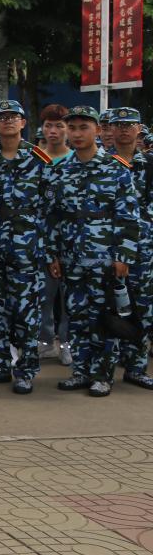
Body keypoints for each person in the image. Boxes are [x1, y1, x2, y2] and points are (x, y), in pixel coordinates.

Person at [51, 106, 140, 397]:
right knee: (76, 315)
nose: (77, 134)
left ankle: (102, 375)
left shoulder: (116, 169)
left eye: (83, 128)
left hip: (104, 258)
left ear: (98, 131)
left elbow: (128, 217)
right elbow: (54, 216)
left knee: (103, 317)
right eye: (72, 128)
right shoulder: (61, 170)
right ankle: (80, 371)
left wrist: (123, 256)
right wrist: (53, 254)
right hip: (71, 256)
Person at [0, 99, 55, 393]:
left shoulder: (39, 159)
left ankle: (26, 370)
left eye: (14, 117)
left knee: (26, 313)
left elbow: (50, 209)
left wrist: (46, 248)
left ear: (23, 123)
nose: (8, 121)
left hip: (28, 247)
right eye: (2, 117)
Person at [109, 107, 153, 388]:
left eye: (129, 125)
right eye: (119, 125)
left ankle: (136, 366)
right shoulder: (102, 163)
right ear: (110, 130)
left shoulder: (149, 164)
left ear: (138, 129)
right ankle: (104, 366)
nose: (124, 130)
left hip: (143, 247)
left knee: (142, 307)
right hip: (106, 245)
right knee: (106, 306)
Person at [36, 104, 73, 363]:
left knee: (70, 297)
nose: (53, 131)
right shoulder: (34, 160)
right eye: (48, 125)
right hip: (41, 237)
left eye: (59, 125)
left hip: (74, 238)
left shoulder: (78, 160)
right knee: (43, 295)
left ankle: (68, 342)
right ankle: (46, 341)